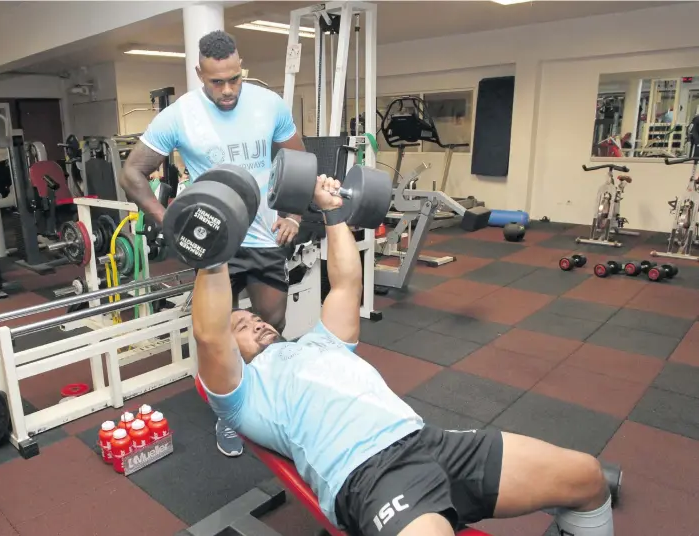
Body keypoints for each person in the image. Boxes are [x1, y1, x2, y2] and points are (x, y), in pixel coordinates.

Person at [192, 175, 615, 536]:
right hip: (370, 476)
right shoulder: (243, 396)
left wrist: (332, 210)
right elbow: (210, 337)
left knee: (587, 477)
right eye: (242, 328)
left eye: (254, 318)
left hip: (432, 442)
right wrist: (212, 250)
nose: (257, 323)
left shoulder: (320, 342)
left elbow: (344, 287)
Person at [120, 30, 305, 458]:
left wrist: (294, 215)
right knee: (214, 334)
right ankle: (229, 413)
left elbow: (298, 161)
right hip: (215, 240)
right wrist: (168, 222)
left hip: (264, 235)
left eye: (234, 79)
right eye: (217, 81)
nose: (227, 90)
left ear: (242, 70)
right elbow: (132, 173)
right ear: (199, 73)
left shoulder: (268, 103)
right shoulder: (179, 115)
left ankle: (271, 401)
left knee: (270, 324)